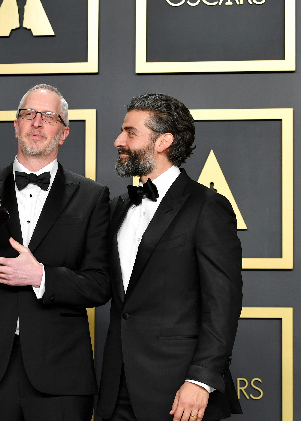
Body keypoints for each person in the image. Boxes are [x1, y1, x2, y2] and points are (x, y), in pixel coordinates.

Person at [0, 84, 111, 420]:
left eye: (49, 117)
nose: (37, 123)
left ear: (64, 133)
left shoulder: (92, 196)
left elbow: (99, 284)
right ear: (16, 126)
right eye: (28, 114)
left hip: (60, 372)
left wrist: (40, 276)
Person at [97, 93, 243, 421]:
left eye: (130, 133)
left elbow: (223, 303)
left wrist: (201, 380)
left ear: (163, 141)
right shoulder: (119, 207)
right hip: (117, 389)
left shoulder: (207, 206)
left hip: (180, 390)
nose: (118, 140)